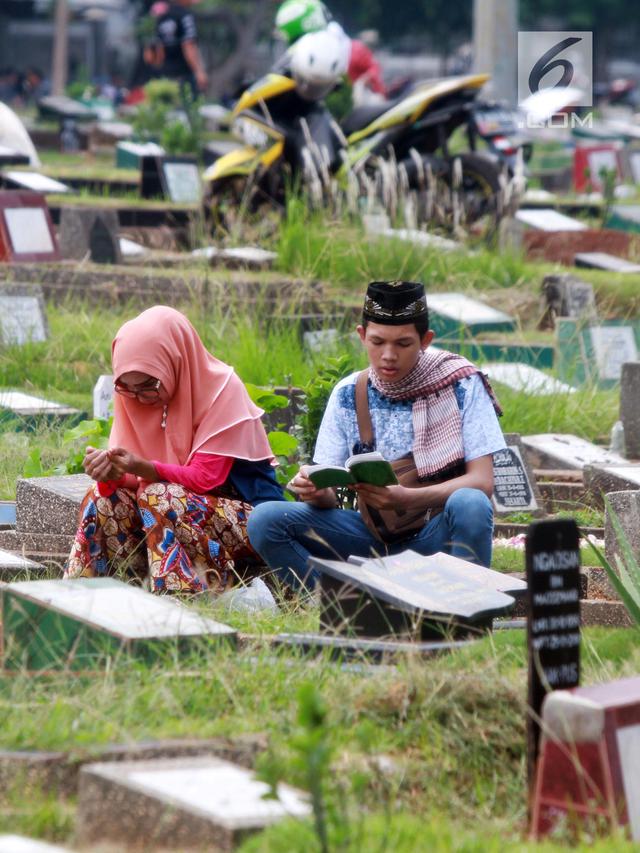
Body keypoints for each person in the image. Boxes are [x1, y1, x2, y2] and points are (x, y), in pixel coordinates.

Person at [248, 280, 506, 590]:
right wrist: (314, 490)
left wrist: (406, 497)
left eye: (403, 344)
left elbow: (482, 481)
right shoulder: (348, 393)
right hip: (371, 535)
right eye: (377, 341)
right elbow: (328, 494)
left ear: (426, 340)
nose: (388, 355)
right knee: (266, 520)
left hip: (436, 533)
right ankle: (333, 611)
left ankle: (467, 610)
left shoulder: (462, 384)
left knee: (471, 503)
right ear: (361, 336)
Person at [65, 306, 284, 594]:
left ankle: (177, 596)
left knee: (161, 495)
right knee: (103, 498)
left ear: (175, 361)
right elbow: (134, 485)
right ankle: (85, 594)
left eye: (148, 385)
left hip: (251, 524)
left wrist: (142, 467)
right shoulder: (133, 398)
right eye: (126, 388)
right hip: (171, 518)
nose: (139, 398)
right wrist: (112, 474)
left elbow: (204, 479)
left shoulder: (221, 390)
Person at [155, 0, 208, 95]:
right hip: (185, 73)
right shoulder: (185, 16)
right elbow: (188, 45)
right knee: (189, 105)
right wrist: (199, 71)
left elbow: (160, 51)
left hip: (167, 73)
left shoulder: (162, 17)